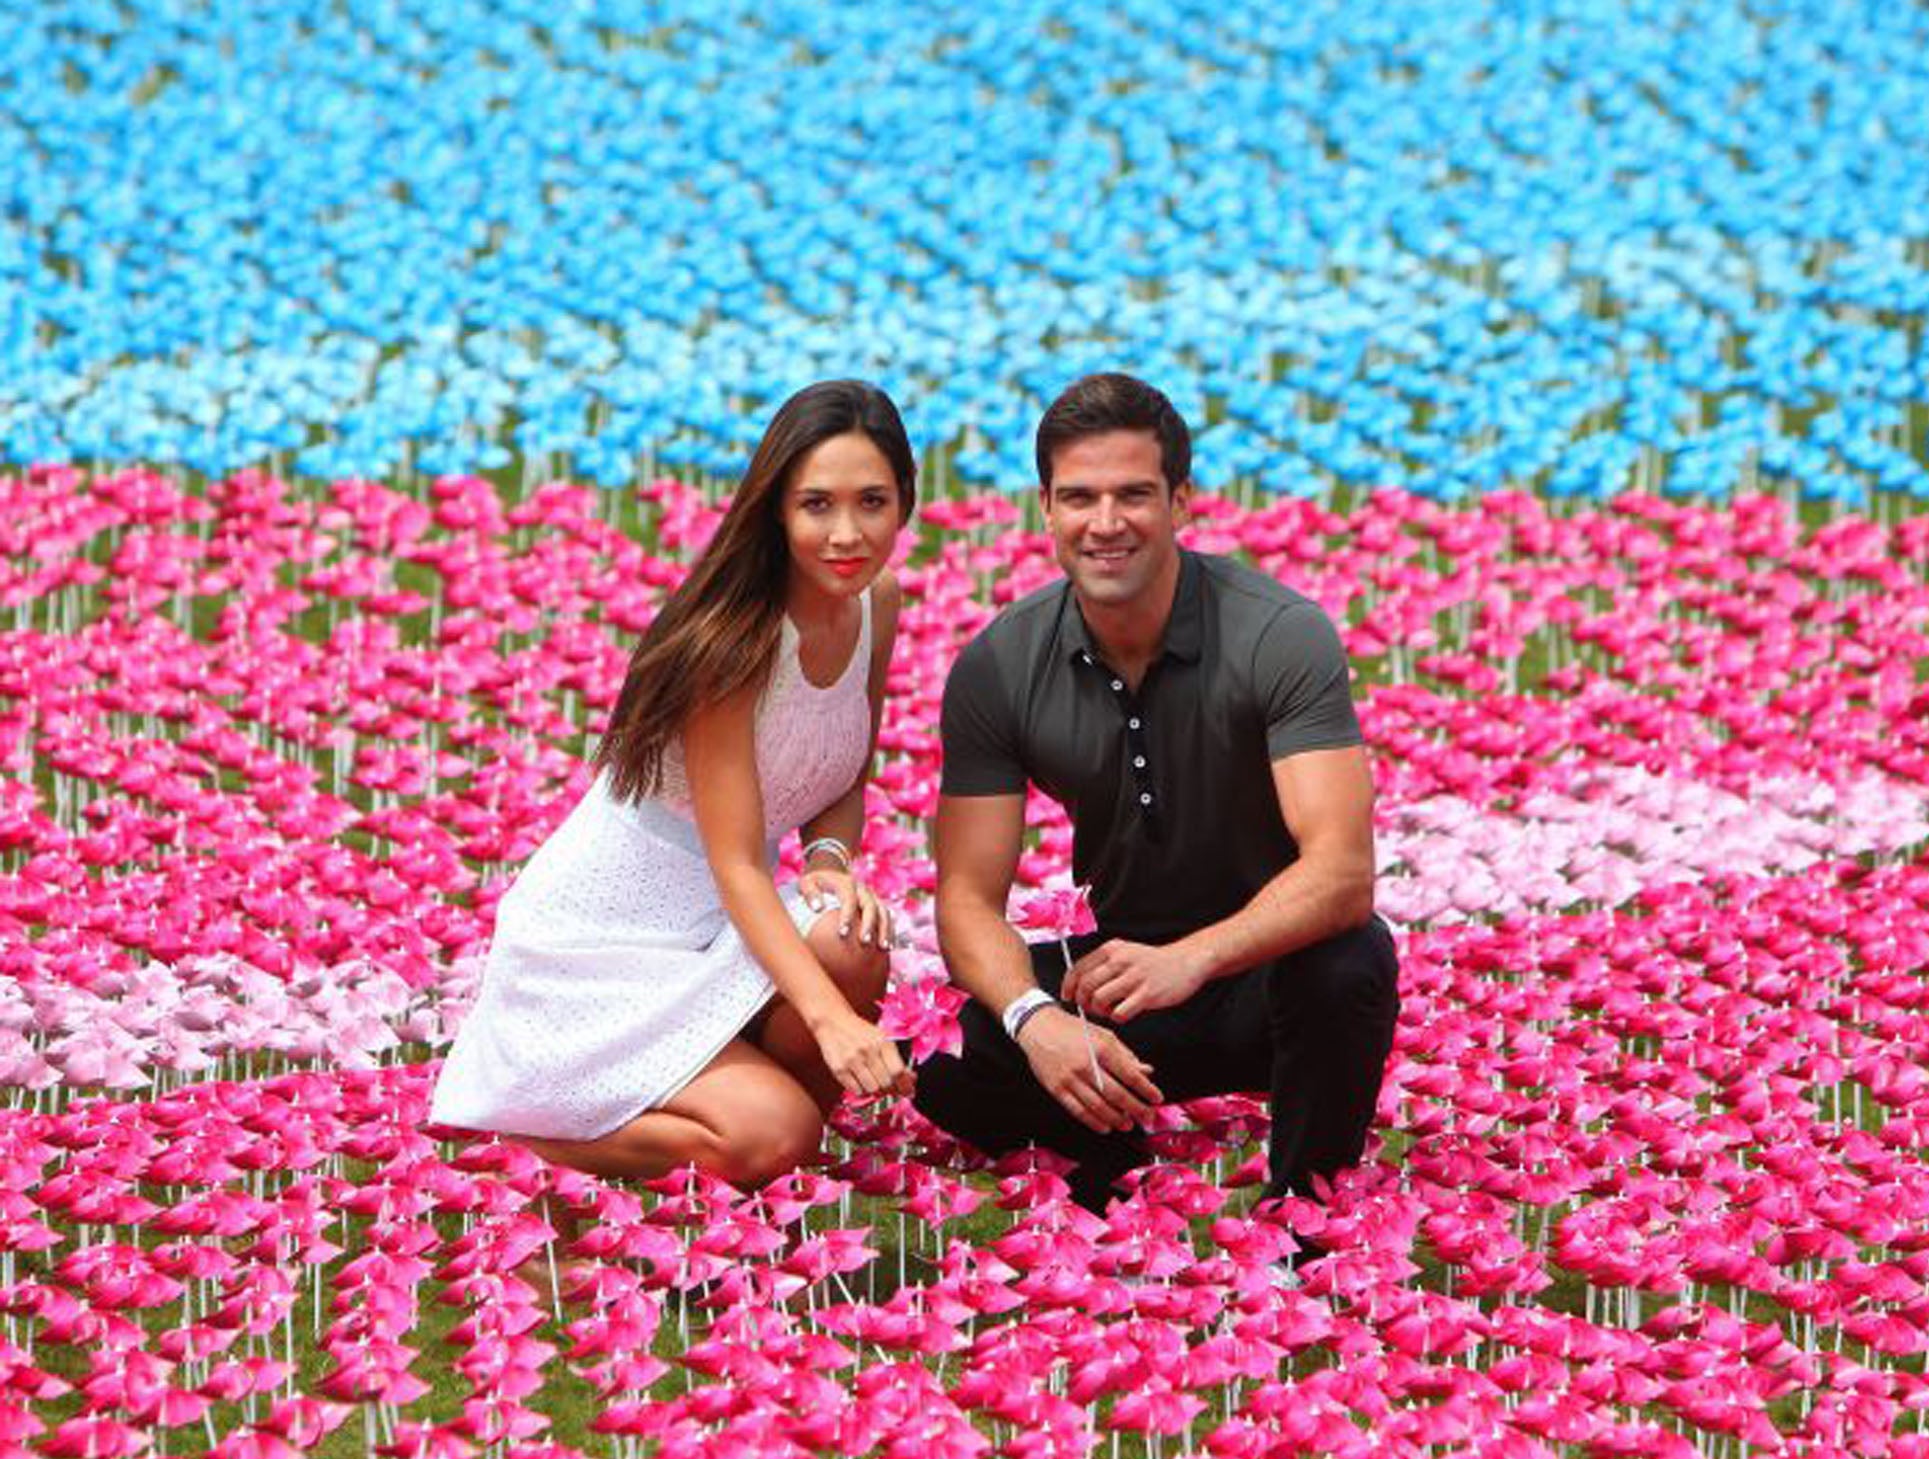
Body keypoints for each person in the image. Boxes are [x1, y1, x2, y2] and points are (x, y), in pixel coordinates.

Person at [915, 372, 1399, 1216]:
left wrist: (1194, 958)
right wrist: (1039, 1019)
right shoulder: (999, 665)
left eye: (1134, 495)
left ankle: (1306, 1215)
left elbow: (1342, 873)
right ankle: (1119, 1167)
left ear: (1181, 501)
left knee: (1350, 960)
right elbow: (963, 899)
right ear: (1046, 510)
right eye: (1081, 498)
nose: (1106, 523)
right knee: (983, 1038)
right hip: (1127, 980)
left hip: (1265, 978)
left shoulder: (1278, 635)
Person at [432, 380, 917, 1193]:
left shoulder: (876, 604)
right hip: (604, 947)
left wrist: (831, 861)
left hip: (720, 929)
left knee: (851, 934)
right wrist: (832, 1024)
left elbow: (845, 771)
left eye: (871, 502)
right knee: (776, 1133)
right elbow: (736, 865)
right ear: (775, 512)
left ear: (906, 497)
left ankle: (752, 1121)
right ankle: (533, 1140)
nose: (846, 533)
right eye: (816, 506)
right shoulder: (732, 646)